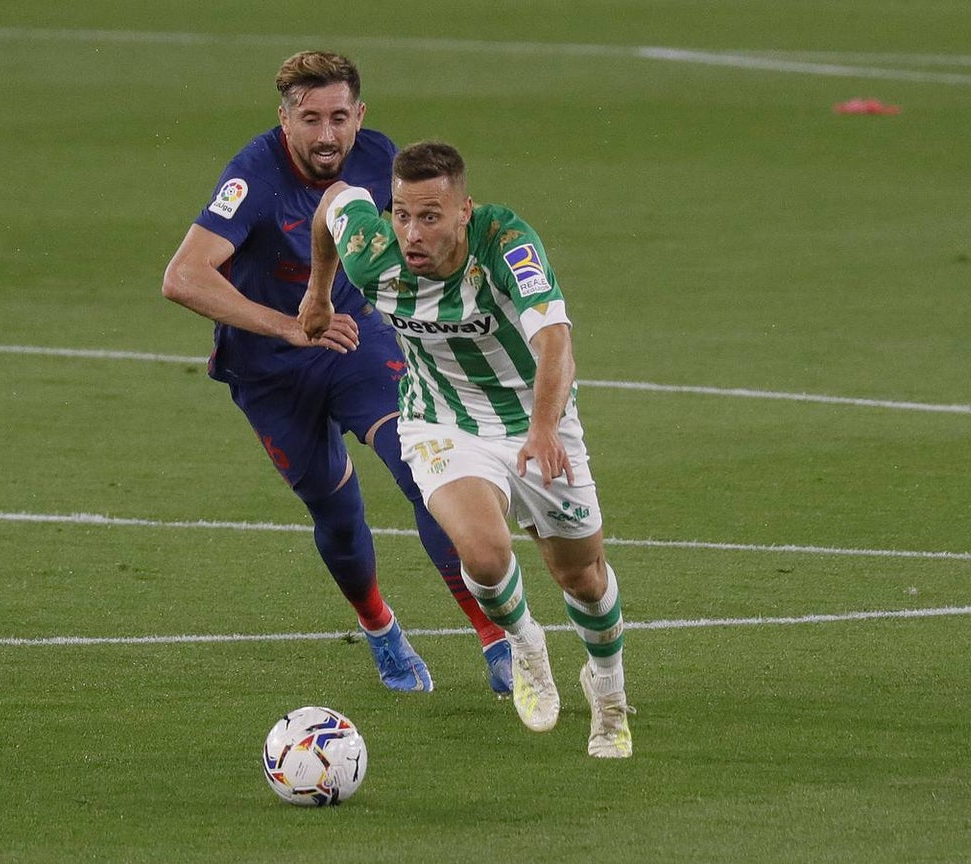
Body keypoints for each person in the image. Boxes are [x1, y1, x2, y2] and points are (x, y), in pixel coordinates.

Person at [161, 53, 512, 695]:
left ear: (360, 116)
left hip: (354, 340)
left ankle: (495, 638)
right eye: (311, 118)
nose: (327, 135)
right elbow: (182, 277)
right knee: (336, 507)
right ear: (285, 118)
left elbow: (445, 220)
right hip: (268, 369)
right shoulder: (253, 177)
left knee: (422, 471)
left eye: (339, 118)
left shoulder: (382, 160)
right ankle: (381, 630)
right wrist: (288, 325)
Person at [300, 140, 632, 757]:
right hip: (440, 421)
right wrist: (319, 293)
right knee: (482, 553)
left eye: (430, 216)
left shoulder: (506, 241)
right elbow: (334, 202)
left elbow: (556, 340)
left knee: (582, 577)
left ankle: (608, 691)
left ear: (464, 212)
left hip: (537, 419)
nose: (411, 233)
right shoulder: (374, 255)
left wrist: (542, 429)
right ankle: (527, 645)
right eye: (401, 214)